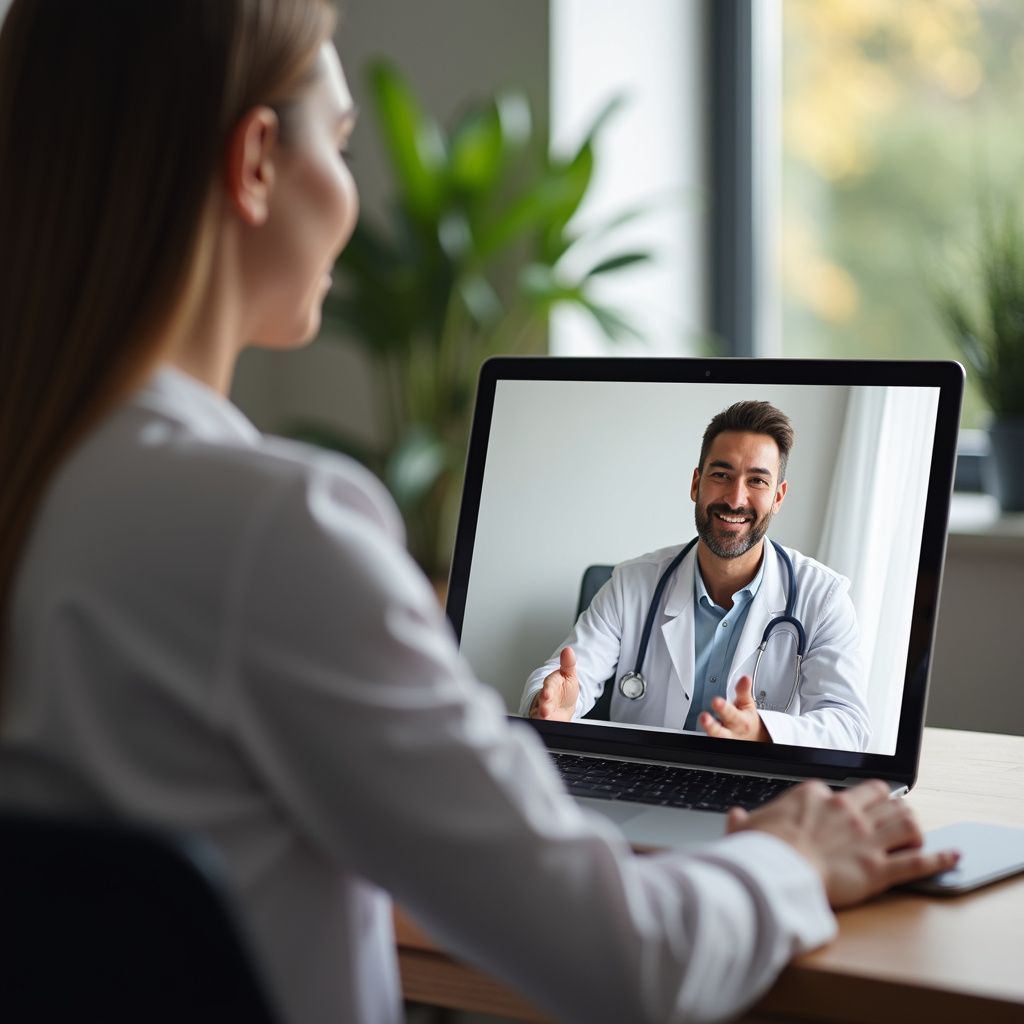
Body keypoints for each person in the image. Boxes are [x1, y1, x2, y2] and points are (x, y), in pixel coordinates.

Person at [0, 3, 956, 1023]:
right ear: (258, 163)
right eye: (339, 142)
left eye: (755, 480)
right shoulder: (273, 529)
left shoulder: (46, 484)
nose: (354, 197)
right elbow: (621, 957)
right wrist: (789, 860)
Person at [523, 401, 871, 751]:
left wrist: (763, 732)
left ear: (778, 497)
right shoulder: (631, 584)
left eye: (757, 481)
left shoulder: (823, 598)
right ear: (696, 483)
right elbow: (568, 675)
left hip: (755, 787)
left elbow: (848, 726)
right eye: (721, 475)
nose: (736, 499)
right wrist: (550, 702)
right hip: (642, 778)